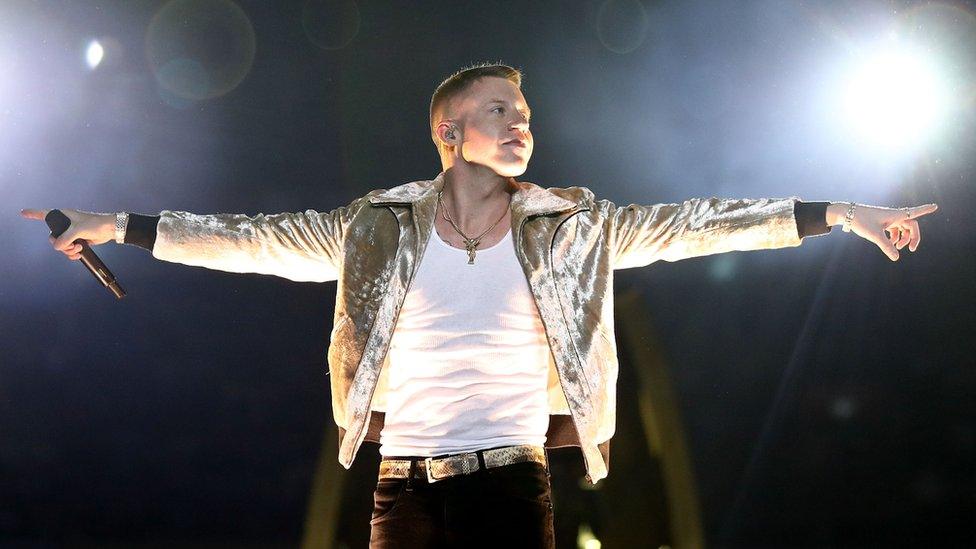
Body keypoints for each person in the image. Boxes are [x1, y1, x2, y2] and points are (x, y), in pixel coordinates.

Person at [21, 63, 938, 548]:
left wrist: (846, 213)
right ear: (448, 131)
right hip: (399, 488)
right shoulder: (374, 228)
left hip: (510, 481)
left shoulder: (575, 226)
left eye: (526, 113)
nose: (520, 123)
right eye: (499, 109)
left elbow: (703, 223)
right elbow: (252, 238)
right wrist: (121, 223)